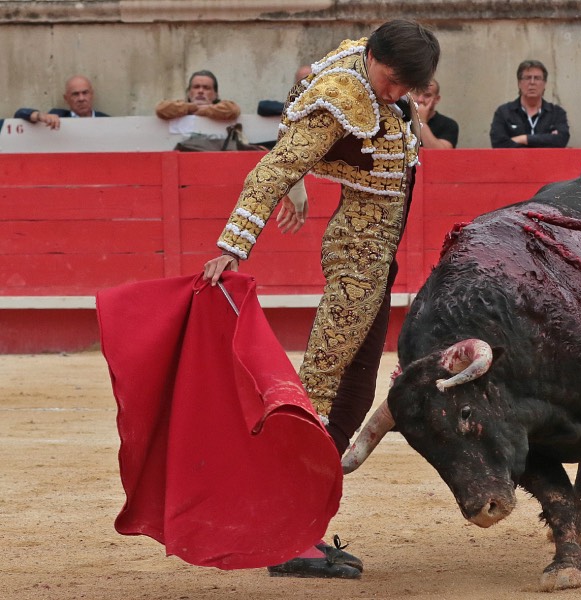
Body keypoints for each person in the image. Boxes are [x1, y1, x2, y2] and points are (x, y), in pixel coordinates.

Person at [201, 18, 439, 579]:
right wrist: (234, 246)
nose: (397, 92)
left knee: (349, 390)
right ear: (376, 57)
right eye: (393, 80)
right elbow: (276, 163)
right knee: (326, 390)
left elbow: (295, 98)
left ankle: (297, 524)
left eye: (408, 85)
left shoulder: (358, 57)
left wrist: (303, 184)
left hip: (377, 256)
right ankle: (289, 532)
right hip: (359, 256)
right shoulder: (344, 92)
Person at [489, 59, 569, 148]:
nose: (532, 82)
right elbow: (499, 144)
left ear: (544, 84)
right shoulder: (504, 112)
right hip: (514, 161)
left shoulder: (557, 113)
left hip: (547, 162)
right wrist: (546, 140)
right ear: (519, 83)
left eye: (537, 78)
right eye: (527, 78)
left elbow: (561, 140)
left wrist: (524, 139)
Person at [14, 75, 109, 130]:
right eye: (75, 94)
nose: (81, 98)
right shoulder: (58, 116)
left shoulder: (108, 121)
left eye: (85, 93)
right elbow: (20, 113)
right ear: (66, 98)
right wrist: (41, 116)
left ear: (92, 94)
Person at [155, 70, 240, 121]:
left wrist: (205, 110)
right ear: (188, 92)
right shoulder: (180, 107)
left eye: (206, 88)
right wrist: (190, 108)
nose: (200, 91)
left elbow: (233, 110)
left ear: (215, 95)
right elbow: (161, 109)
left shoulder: (222, 107)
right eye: (196, 87)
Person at [412, 78, 459, 148]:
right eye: (417, 94)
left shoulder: (448, 124)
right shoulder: (399, 121)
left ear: (437, 99)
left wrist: (422, 122)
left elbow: (442, 155)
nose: (420, 100)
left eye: (427, 95)